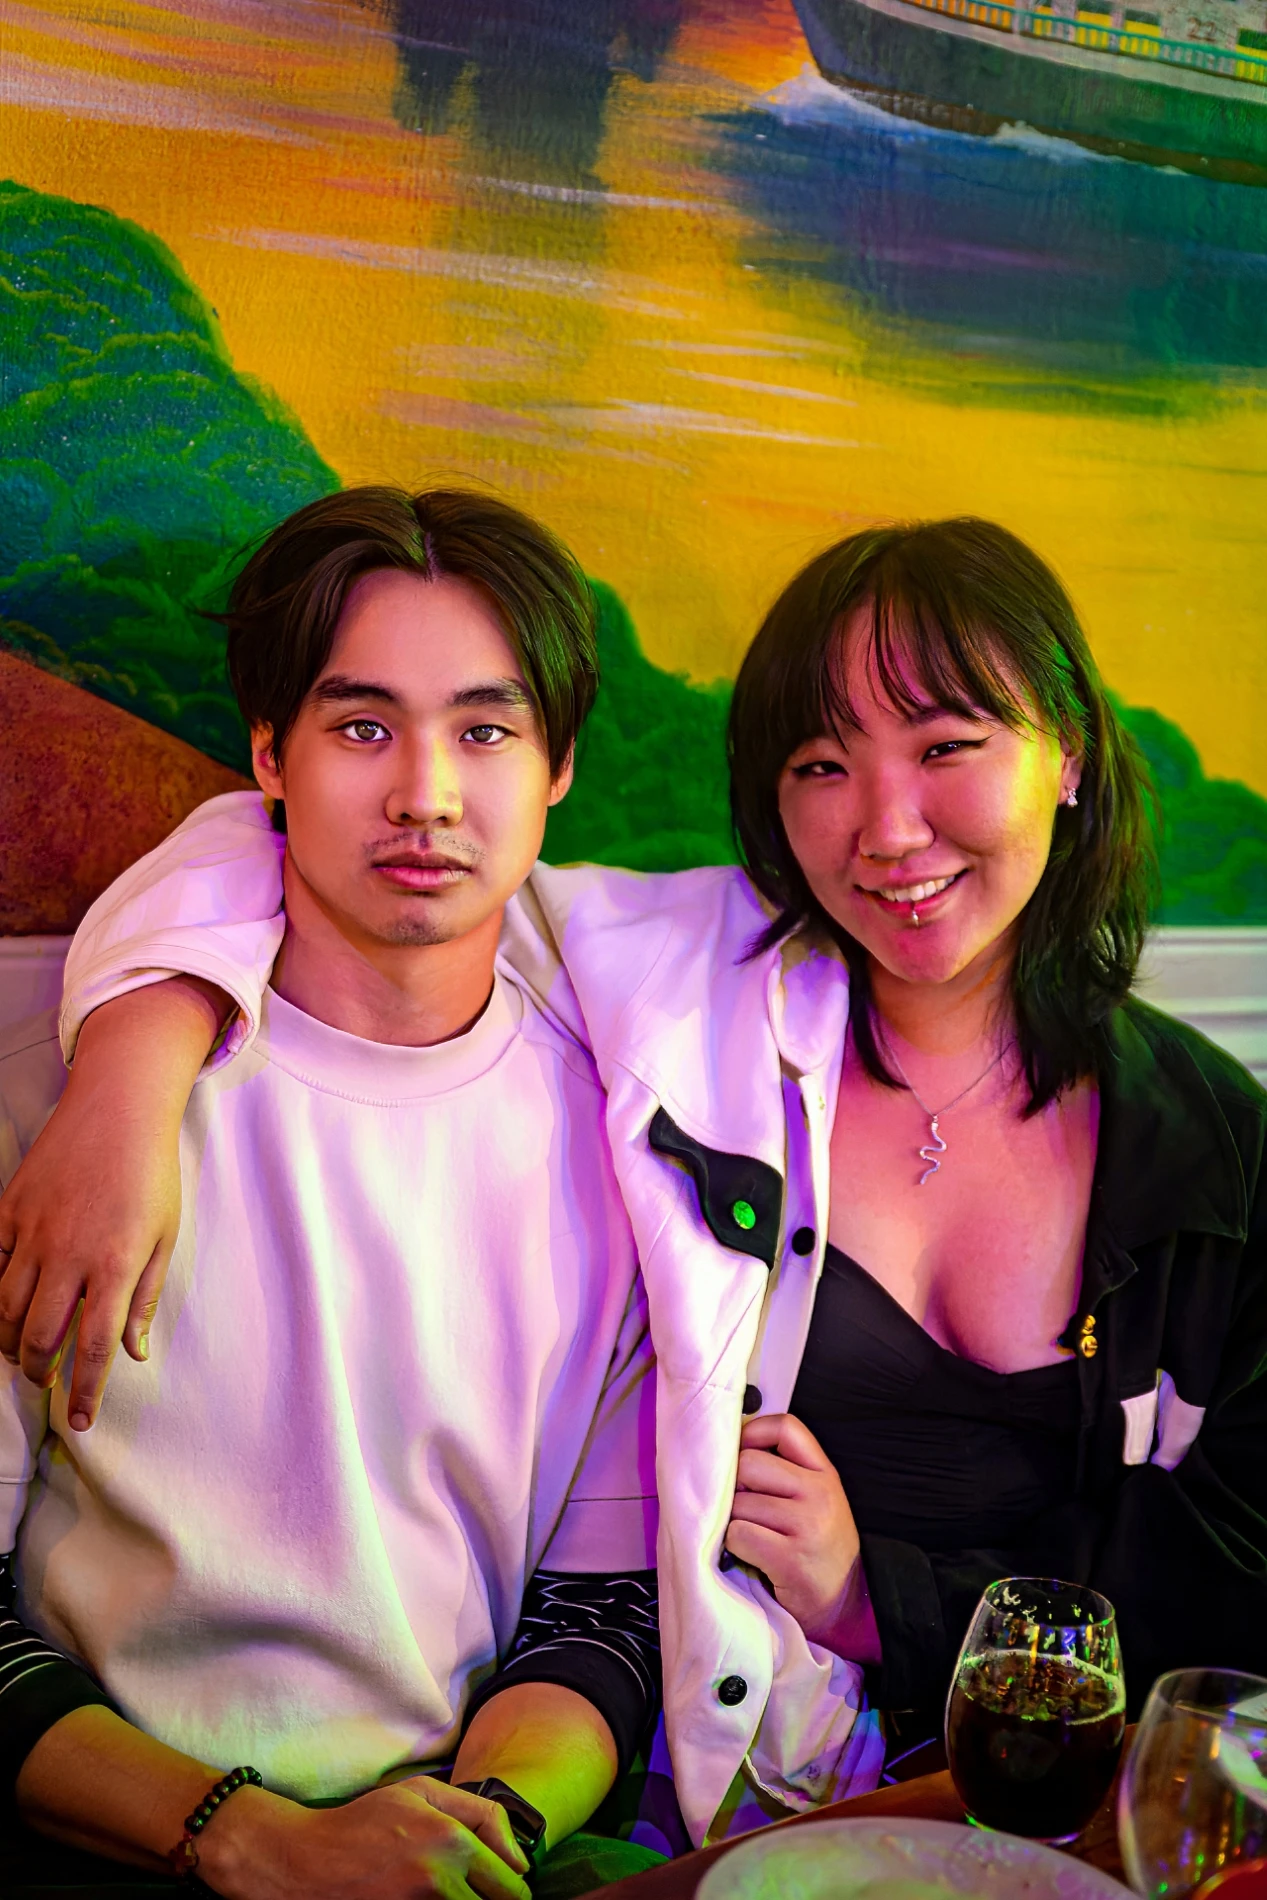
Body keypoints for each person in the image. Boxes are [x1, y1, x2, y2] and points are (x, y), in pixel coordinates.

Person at [7, 516, 1265, 1824]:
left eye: (947, 746)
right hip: (760, 1796)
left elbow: (1235, 1588)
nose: (890, 829)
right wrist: (125, 1077)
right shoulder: (687, 994)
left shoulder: (1212, 1150)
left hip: (1096, 1804)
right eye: (822, 763)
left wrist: (872, 1596)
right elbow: (275, 849)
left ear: (1064, 752)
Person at [0, 486, 668, 1899]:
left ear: (555, 771)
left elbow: (596, 1614)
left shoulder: (624, 1143)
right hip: (104, 1824)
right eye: (362, 727)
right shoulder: (56, 1113)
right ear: (272, 759)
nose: (425, 790)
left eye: (484, 730)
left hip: (459, 1837)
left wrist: (464, 1833)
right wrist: (244, 1834)